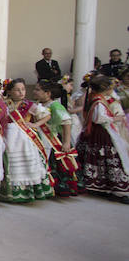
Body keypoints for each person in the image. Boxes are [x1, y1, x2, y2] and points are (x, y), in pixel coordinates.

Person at [0, 78, 53, 203]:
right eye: (17, 90)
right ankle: (9, 191)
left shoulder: (29, 105)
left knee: (26, 161)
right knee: (10, 162)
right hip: (8, 136)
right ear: (10, 91)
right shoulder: (5, 104)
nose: (21, 92)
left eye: (23, 89)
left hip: (24, 138)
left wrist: (35, 124)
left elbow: (47, 115)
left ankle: (27, 192)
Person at [76, 73, 129, 201]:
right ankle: (114, 187)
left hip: (97, 132)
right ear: (106, 88)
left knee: (99, 158)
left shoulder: (97, 98)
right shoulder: (98, 101)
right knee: (108, 157)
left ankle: (99, 184)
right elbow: (99, 118)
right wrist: (114, 118)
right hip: (100, 133)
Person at [33, 80, 82, 197]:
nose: (34, 91)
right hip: (42, 137)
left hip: (53, 138)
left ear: (48, 93)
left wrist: (66, 142)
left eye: (37, 90)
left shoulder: (55, 106)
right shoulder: (39, 104)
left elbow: (67, 122)